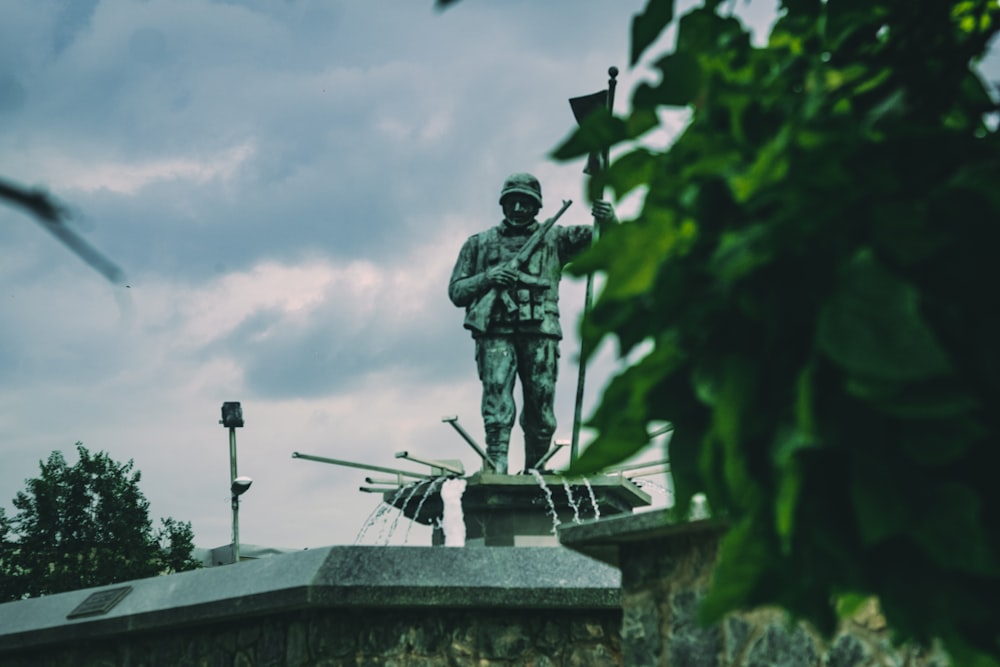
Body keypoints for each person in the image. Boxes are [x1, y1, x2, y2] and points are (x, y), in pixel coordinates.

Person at [448, 172, 616, 474]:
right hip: (494, 331)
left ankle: (536, 467)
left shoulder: (557, 238)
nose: (517, 209)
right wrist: (489, 277)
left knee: (541, 404)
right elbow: (457, 292)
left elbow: (607, 243)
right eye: (511, 202)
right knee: (497, 398)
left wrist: (609, 220)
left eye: (525, 203)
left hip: (541, 331)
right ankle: (496, 464)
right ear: (503, 204)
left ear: (537, 207)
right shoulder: (478, 244)